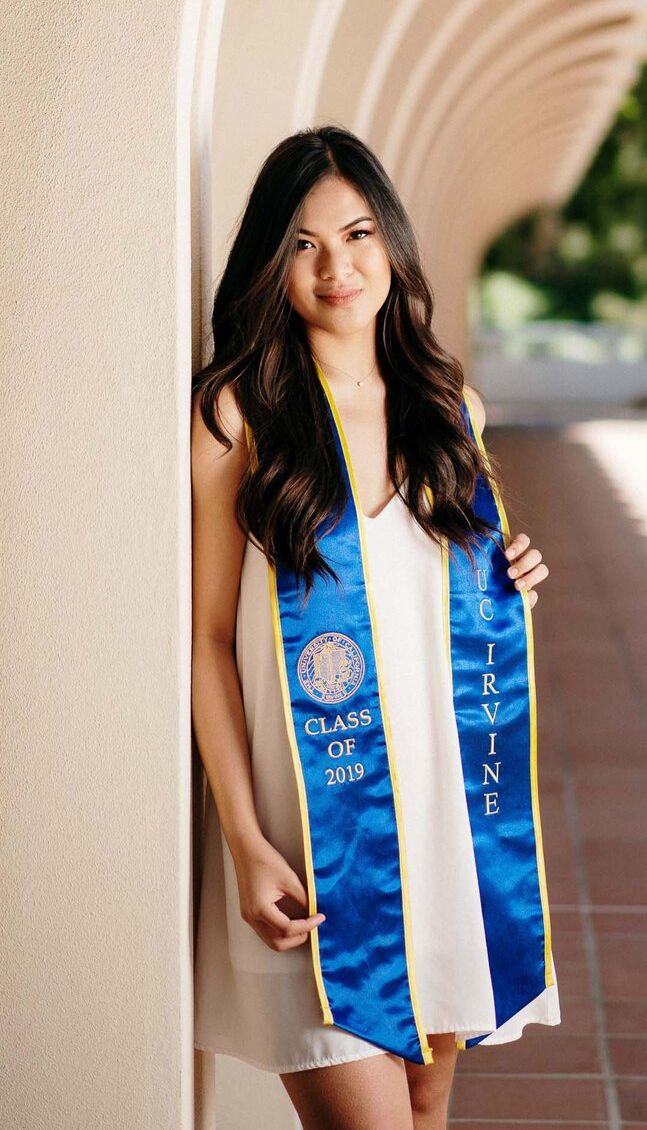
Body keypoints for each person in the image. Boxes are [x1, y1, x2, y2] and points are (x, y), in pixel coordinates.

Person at [190, 125, 559, 1130]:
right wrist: (244, 841)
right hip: (315, 853)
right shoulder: (240, 416)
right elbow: (207, 641)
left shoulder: (449, 410)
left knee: (429, 1110)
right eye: (302, 244)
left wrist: (511, 574)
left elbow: (441, 603)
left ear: (391, 242)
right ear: (271, 263)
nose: (335, 265)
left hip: (441, 835)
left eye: (355, 234)